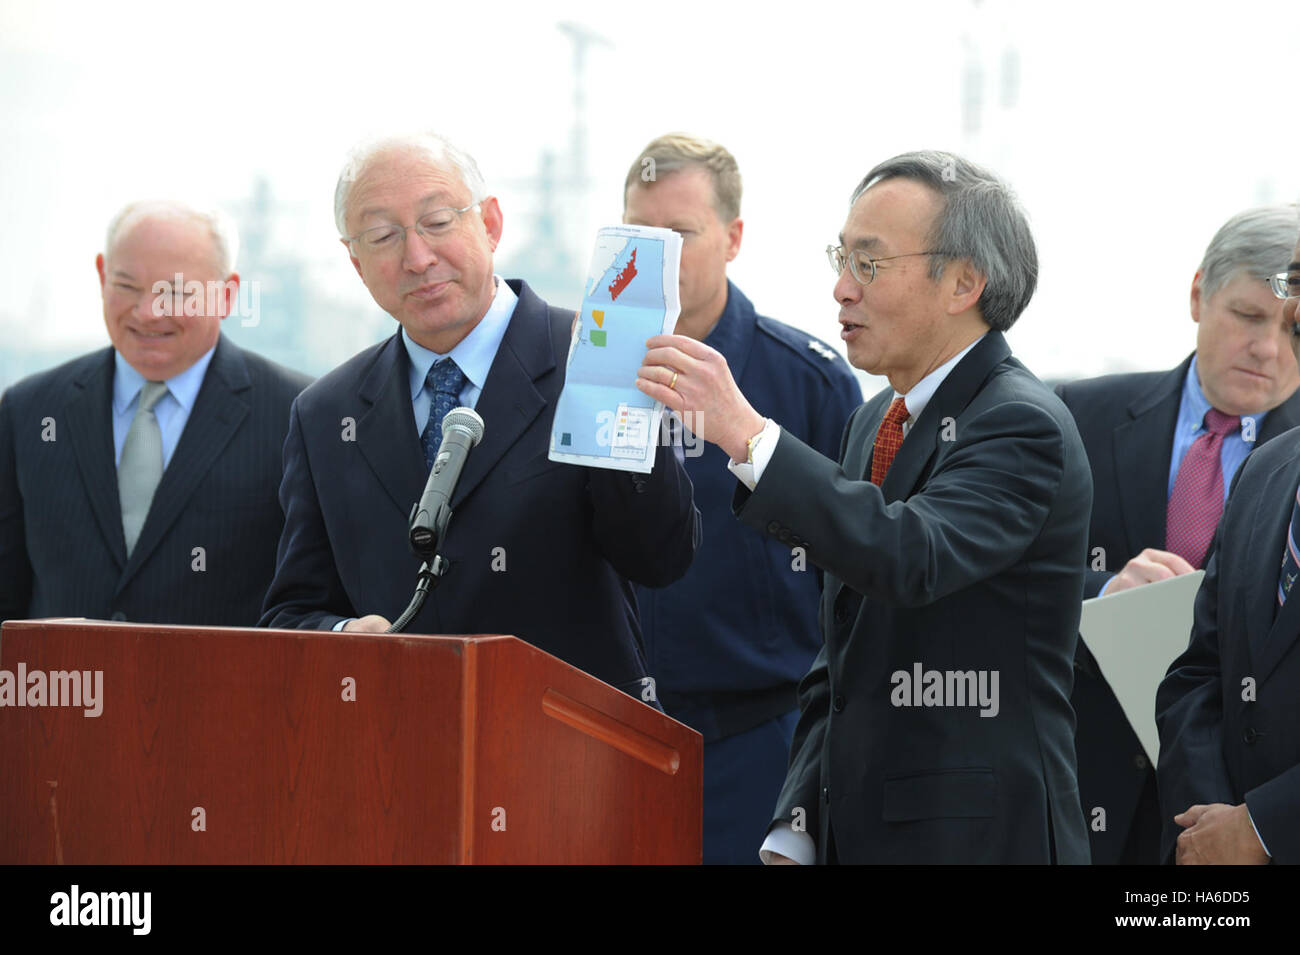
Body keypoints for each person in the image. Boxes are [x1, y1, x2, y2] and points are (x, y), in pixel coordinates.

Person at [636, 150, 1092, 864]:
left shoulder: (1020, 422)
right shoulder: (874, 418)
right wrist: (795, 821)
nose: (842, 289)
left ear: (965, 282)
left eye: (870, 265)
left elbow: (908, 555)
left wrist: (747, 434)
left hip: (974, 837)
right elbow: (837, 657)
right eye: (840, 259)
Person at [259, 133, 699, 702]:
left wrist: (621, 404)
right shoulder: (325, 413)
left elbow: (660, 557)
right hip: (397, 752)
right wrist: (345, 635)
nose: (417, 258)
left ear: (490, 224)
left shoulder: (588, 358)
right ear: (355, 260)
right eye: (384, 236)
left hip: (572, 752)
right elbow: (292, 612)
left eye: (438, 222)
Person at [622, 133, 861, 864]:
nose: (657, 255)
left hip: (762, 742)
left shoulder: (808, 384)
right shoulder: (581, 378)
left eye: (680, 234)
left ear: (733, 239)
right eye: (639, 236)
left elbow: (858, 567)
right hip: (613, 732)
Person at [1056, 205, 1300, 865]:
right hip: (1081, 793)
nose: (1268, 348)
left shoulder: (1286, 464)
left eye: (1294, 328)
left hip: (1244, 823)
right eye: (1249, 316)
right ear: (1198, 293)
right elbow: (1001, 576)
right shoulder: (1075, 416)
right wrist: (1102, 589)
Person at [0, 200, 311, 626]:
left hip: (222, 690)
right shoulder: (28, 412)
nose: (148, 312)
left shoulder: (297, 416)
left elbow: (309, 602)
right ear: (101, 274)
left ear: (226, 295)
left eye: (177, 292)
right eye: (127, 286)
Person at [1155, 239, 1300, 865]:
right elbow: (1199, 672)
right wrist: (1208, 827)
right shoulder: (1269, 469)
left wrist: (1263, 828)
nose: (1269, 347)